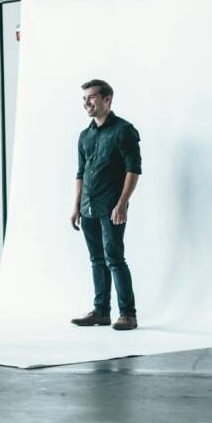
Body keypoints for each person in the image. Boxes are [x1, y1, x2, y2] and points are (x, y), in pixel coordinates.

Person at [69, 79, 142, 331]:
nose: (86, 103)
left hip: (112, 207)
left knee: (114, 258)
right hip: (88, 206)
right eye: (84, 99)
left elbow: (133, 170)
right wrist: (76, 206)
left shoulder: (124, 131)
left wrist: (122, 203)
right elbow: (80, 172)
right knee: (96, 259)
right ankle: (101, 311)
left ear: (107, 99)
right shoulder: (85, 136)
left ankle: (128, 315)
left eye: (91, 97)